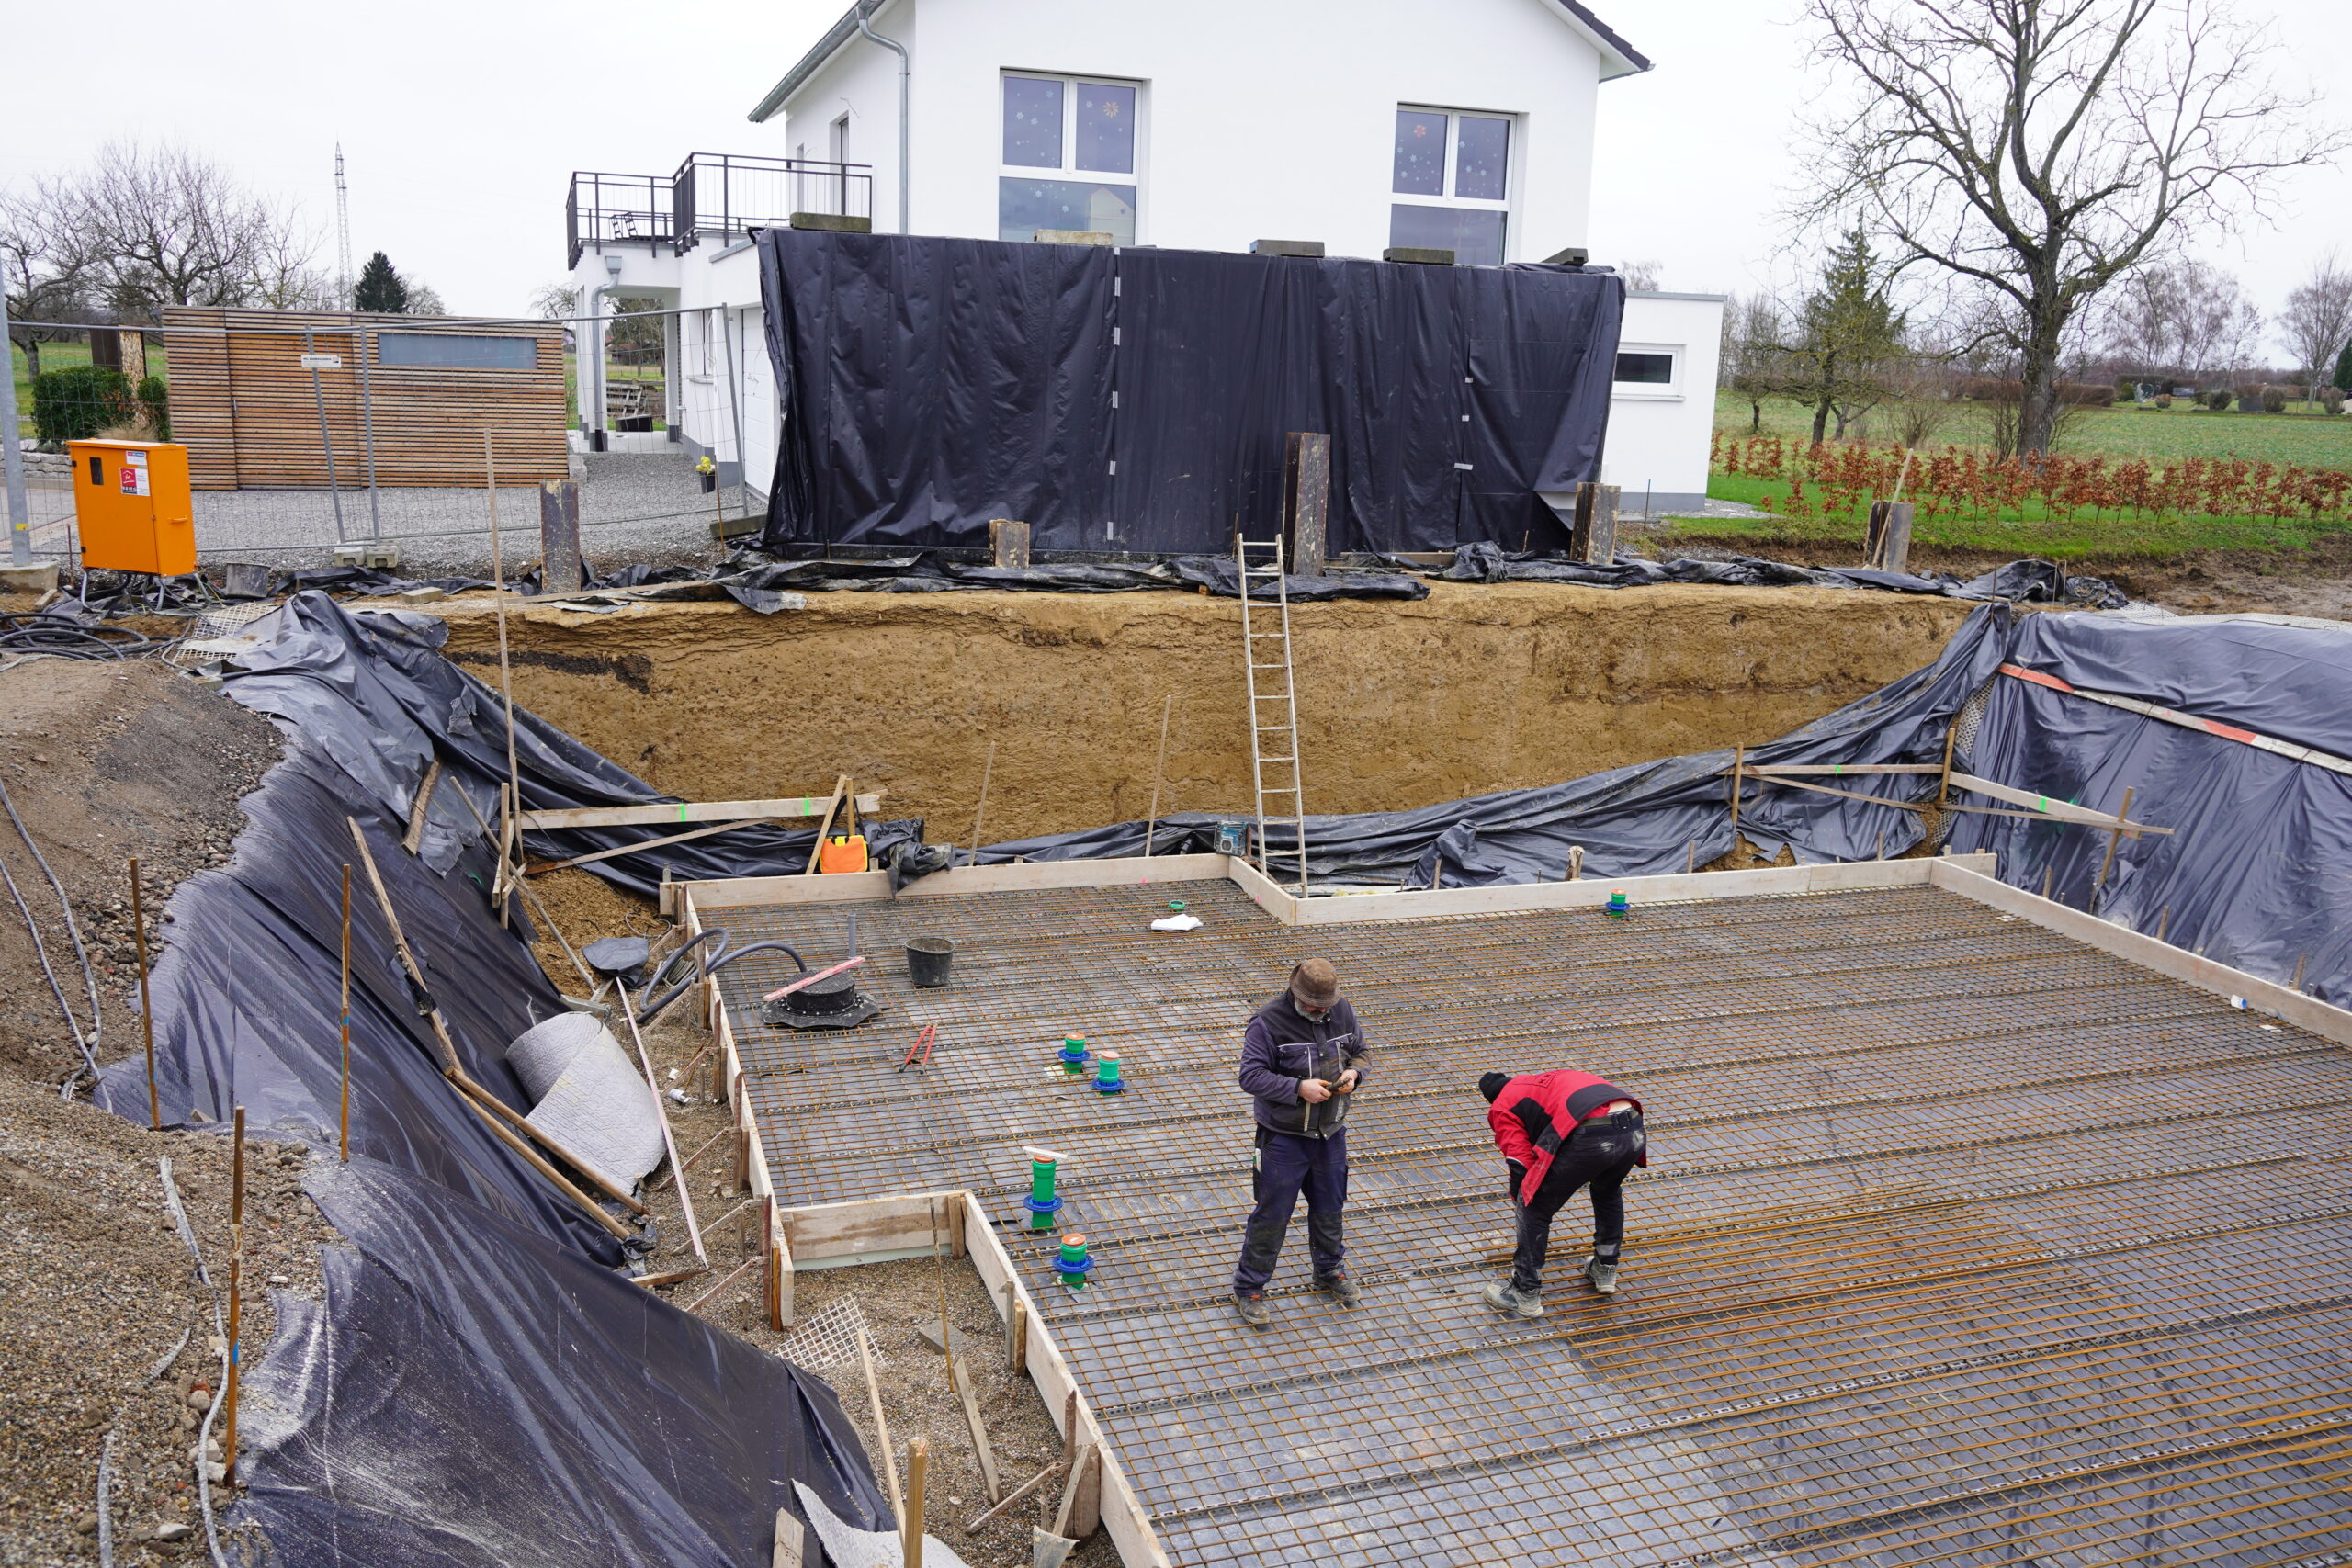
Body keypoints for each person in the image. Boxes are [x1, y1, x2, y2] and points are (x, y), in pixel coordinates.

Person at [1231, 957, 1371, 1326]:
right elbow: (1251, 1076)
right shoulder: (1268, 1022)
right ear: (1296, 993)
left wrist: (1355, 1072)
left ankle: (1329, 1270)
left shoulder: (1341, 1009)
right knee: (1272, 1214)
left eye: (1324, 1005)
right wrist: (1297, 1088)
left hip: (1330, 1134)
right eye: (1313, 1004)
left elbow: (1362, 1051)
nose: (1319, 1010)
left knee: (1330, 1206)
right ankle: (1250, 1288)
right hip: (1283, 1138)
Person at [1477, 1068, 1645, 1318]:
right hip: (1631, 1123)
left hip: (1591, 1133)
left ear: (1491, 1098)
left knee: (1533, 1206)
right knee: (1607, 1192)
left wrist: (1521, 1195)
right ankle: (1605, 1269)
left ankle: (1524, 1292)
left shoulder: (1503, 1104)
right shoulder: (1538, 1082)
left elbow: (1519, 1160)